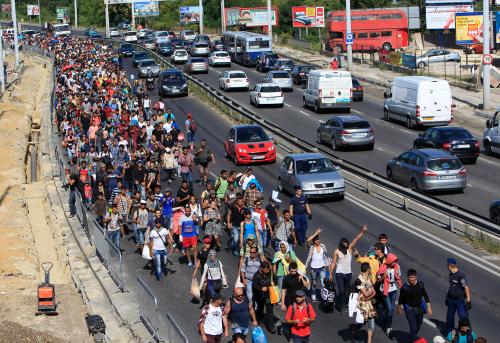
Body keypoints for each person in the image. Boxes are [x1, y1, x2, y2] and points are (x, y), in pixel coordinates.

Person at [329, 225, 367, 313]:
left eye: (347, 243)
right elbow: (334, 262)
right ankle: (342, 307)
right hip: (339, 274)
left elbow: (356, 239)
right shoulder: (337, 251)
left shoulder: (349, 248)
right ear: (341, 244)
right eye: (344, 244)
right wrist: (330, 273)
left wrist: (363, 231)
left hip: (348, 274)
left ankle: (346, 302)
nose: (346, 245)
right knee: (341, 290)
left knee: (347, 291)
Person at [397, 269, 432, 343]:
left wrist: (429, 308)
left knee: (418, 326)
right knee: (413, 327)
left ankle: (411, 337)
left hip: (419, 309)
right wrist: (399, 308)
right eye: (410, 277)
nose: (411, 279)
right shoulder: (404, 287)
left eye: (413, 277)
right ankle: (413, 340)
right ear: (407, 277)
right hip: (409, 309)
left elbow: (426, 297)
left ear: (416, 277)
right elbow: (401, 298)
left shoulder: (420, 285)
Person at [376, 252, 402, 337]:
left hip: (393, 289)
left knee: (391, 309)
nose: (395, 263)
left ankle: (388, 325)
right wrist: (383, 277)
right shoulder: (383, 267)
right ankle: (387, 325)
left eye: (395, 261)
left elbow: (398, 278)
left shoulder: (397, 267)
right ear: (389, 261)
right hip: (385, 290)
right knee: (389, 308)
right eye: (393, 261)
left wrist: (401, 286)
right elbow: (378, 279)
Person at [352, 262, 377, 343]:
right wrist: (369, 294)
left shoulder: (367, 278)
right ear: (368, 269)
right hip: (362, 304)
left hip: (368, 303)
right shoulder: (359, 280)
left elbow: (373, 292)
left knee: (371, 324)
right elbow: (366, 294)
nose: (370, 270)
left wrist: (368, 296)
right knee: (362, 322)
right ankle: (355, 332)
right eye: (370, 268)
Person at [446, 257, 471, 334]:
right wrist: (447, 297)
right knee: (449, 317)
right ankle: (451, 333)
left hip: (459, 301)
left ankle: (466, 332)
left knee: (463, 317)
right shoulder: (450, 275)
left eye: (447, 265)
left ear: (449, 266)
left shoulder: (461, 276)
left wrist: (468, 300)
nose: (447, 267)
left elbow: (466, 287)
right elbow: (451, 286)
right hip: (451, 300)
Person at [252, 261, 277, 333]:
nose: (267, 271)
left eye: (268, 270)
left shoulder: (271, 273)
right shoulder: (256, 275)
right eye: (266, 270)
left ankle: (271, 327)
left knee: (270, 311)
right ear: (261, 268)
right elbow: (254, 285)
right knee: (260, 309)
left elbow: (275, 280)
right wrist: (261, 288)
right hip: (259, 296)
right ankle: (259, 321)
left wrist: (273, 284)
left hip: (269, 295)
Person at [305, 228, 329, 302]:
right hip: (313, 268)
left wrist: (327, 264)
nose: (317, 241)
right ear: (313, 242)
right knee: (314, 283)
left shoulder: (323, 246)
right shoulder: (312, 247)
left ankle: (324, 296)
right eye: (316, 240)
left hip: (322, 268)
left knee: (323, 283)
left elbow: (325, 255)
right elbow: (308, 241)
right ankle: (313, 294)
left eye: (318, 240)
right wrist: (316, 233)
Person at [149, 218, 173, 284]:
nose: (158, 224)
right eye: (156, 223)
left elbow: (168, 238)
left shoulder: (164, 230)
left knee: (165, 262)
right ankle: (160, 277)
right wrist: (151, 251)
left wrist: (171, 247)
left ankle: (163, 269)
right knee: (158, 264)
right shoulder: (152, 232)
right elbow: (151, 242)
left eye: (159, 223)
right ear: (155, 223)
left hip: (164, 250)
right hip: (156, 250)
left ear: (161, 223)